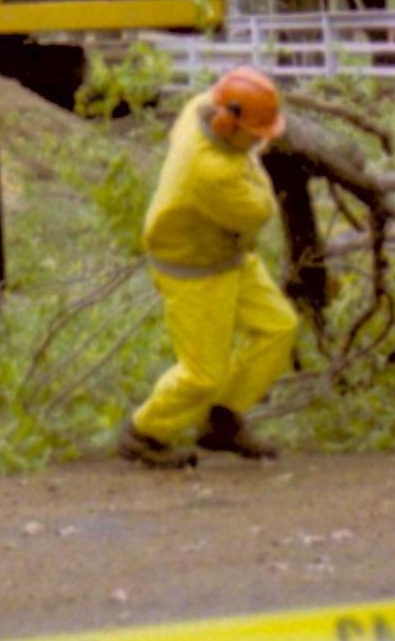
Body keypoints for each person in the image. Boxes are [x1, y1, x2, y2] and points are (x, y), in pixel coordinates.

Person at [119, 65, 298, 466]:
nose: (260, 140)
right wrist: (253, 162)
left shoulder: (199, 107)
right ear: (227, 124)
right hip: (193, 267)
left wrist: (248, 150)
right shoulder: (211, 172)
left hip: (226, 253)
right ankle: (146, 432)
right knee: (202, 374)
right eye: (255, 133)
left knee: (278, 327)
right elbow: (260, 209)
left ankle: (223, 419)